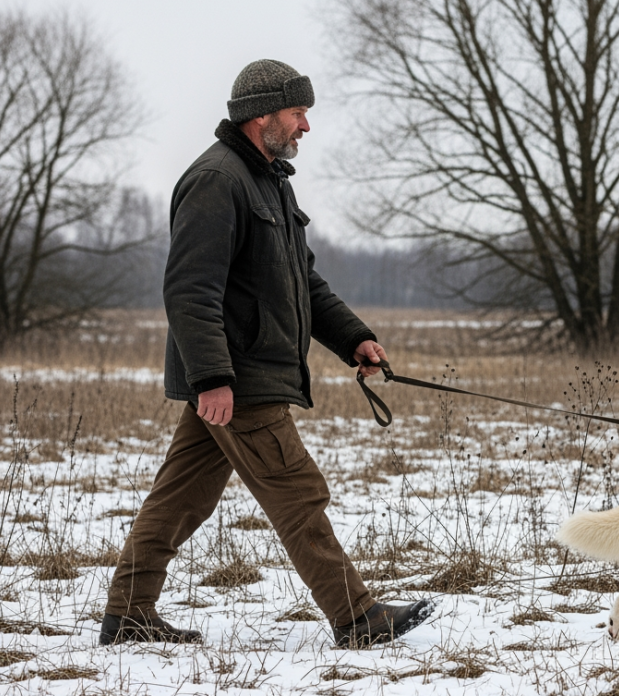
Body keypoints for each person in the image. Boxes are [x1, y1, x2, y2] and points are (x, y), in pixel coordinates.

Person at [100, 59, 433, 649]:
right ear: (263, 115)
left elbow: (303, 282)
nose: (306, 126)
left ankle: (128, 613)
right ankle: (357, 618)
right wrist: (212, 377)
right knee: (298, 493)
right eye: (299, 112)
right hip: (239, 380)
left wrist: (353, 338)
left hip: (236, 377)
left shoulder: (270, 181)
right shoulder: (217, 180)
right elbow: (189, 289)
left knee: (180, 499)